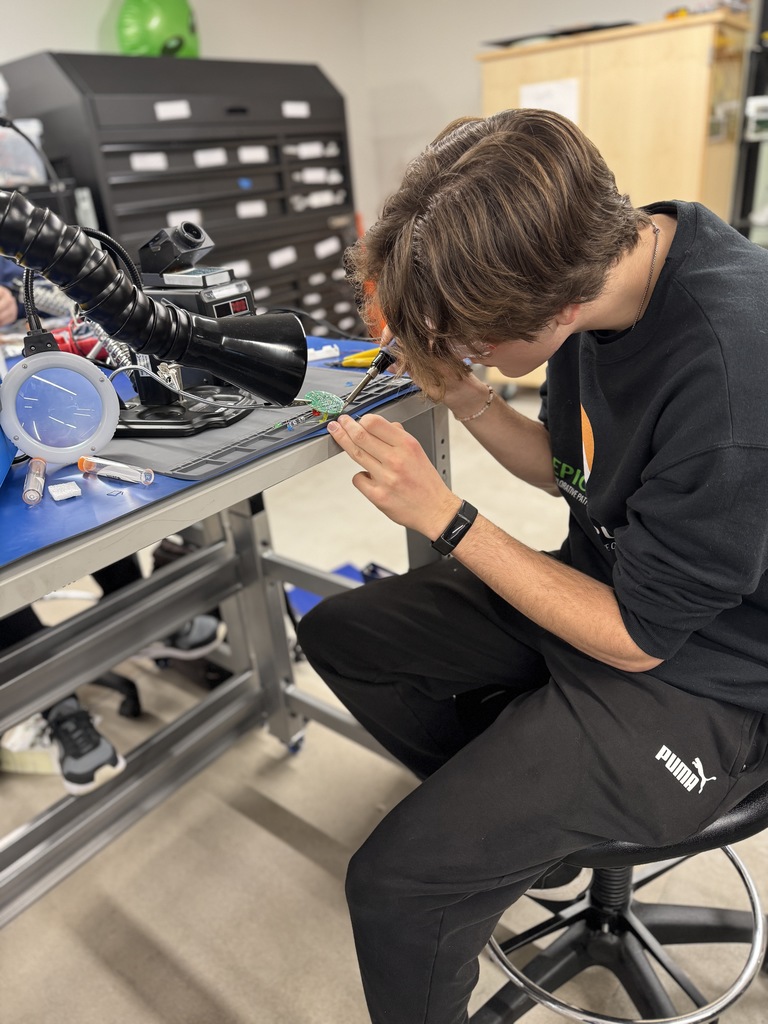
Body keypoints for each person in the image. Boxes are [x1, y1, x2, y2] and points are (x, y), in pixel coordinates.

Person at [295, 108, 768, 1024]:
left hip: (706, 679)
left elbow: (637, 637)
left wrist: (448, 516)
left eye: (472, 340)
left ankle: (495, 840)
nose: (459, 347)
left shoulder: (730, 372)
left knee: (397, 888)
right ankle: (523, 831)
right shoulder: (615, 264)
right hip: (603, 585)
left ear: (556, 311)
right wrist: (465, 396)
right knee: (344, 633)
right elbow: (570, 463)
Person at [0, 255, 225, 795]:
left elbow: (59, 298)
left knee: (87, 490)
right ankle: (58, 705)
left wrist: (12, 293)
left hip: (18, 393)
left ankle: (140, 610)